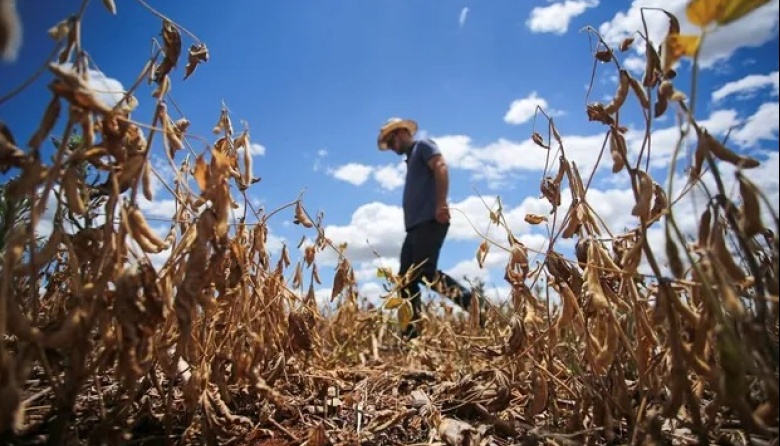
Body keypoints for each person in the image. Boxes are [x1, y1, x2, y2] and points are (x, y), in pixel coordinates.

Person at [376, 117, 480, 339]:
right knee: (405, 280)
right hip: (413, 228)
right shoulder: (410, 158)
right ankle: (410, 335)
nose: (392, 148)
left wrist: (441, 203)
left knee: (425, 273)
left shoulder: (423, 146)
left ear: (402, 133)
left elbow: (441, 166)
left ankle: (479, 310)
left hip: (429, 221)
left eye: (392, 142)